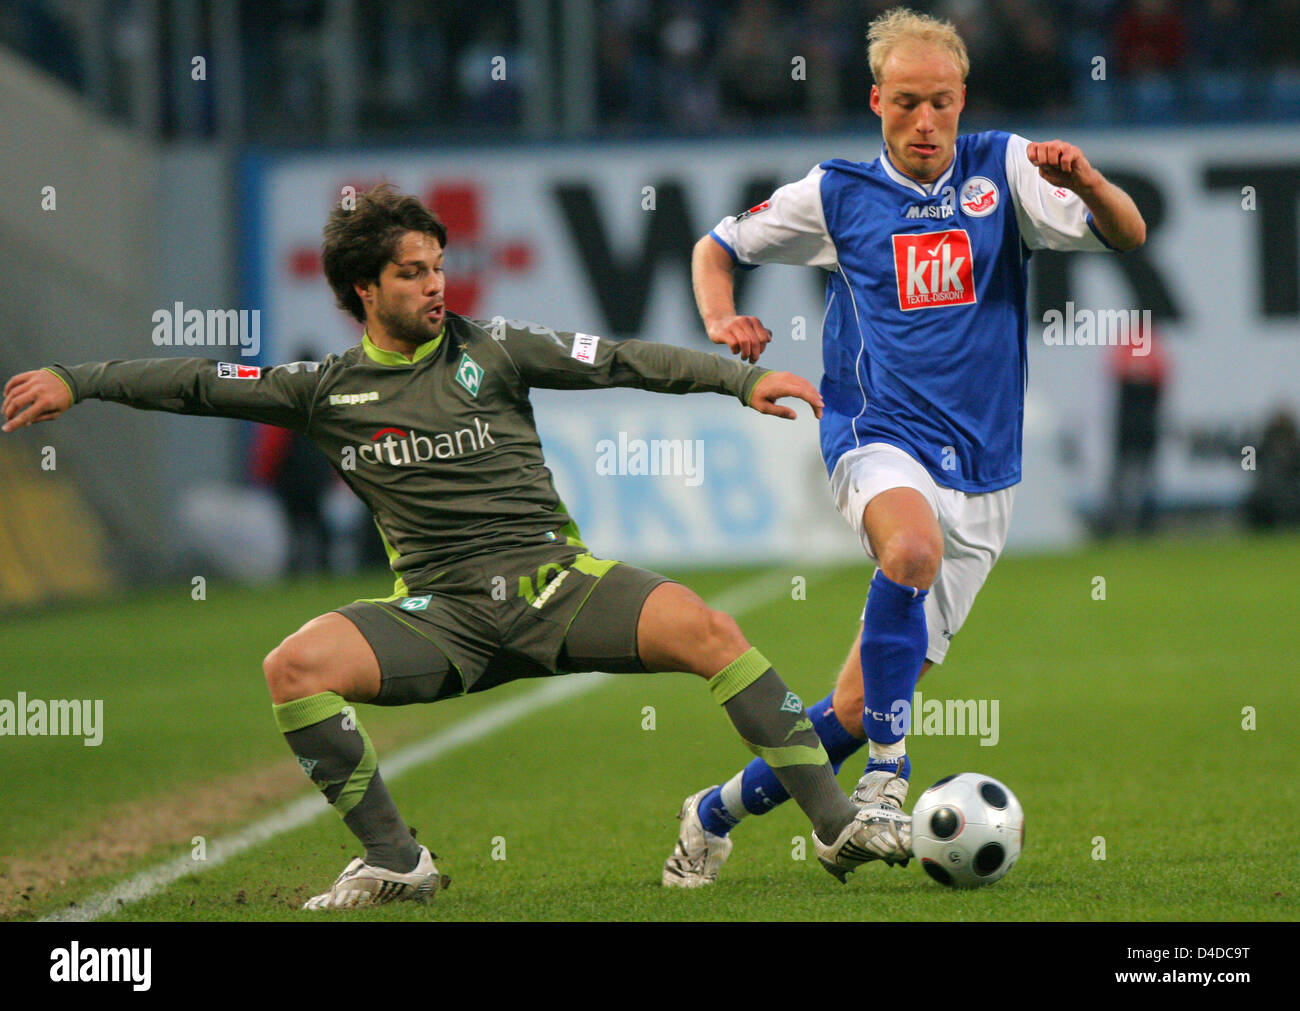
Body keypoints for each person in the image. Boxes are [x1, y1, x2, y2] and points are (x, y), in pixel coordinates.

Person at [2, 184, 910, 910]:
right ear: (365, 288)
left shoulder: (497, 348)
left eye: (438, 267)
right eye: (411, 273)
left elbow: (628, 359)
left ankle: (835, 826)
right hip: (442, 617)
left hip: (559, 587)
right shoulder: (321, 389)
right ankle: (398, 863)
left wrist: (739, 380)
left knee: (710, 629)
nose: (435, 285)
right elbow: (198, 381)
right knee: (293, 666)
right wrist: (76, 380)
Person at [663, 6, 1146, 887]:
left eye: (943, 104)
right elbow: (715, 244)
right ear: (876, 98)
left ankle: (711, 813)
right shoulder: (837, 192)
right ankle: (889, 783)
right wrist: (718, 316)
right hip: (874, 435)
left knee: (851, 706)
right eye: (908, 103)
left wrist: (1088, 178)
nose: (926, 123)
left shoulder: (1002, 168)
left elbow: (1128, 233)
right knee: (909, 550)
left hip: (985, 473)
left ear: (964, 101)